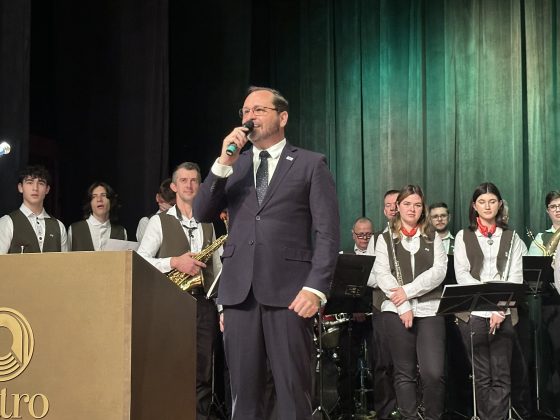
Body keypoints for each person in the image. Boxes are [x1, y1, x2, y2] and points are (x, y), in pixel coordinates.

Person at [193, 86, 340, 419]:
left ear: (282, 117)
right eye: (245, 111)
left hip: (291, 295)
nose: (250, 117)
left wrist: (316, 288)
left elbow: (328, 232)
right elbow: (201, 212)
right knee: (244, 395)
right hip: (239, 296)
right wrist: (222, 163)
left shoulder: (310, 164)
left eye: (259, 110)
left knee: (292, 393)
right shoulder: (235, 166)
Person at [137, 162, 221, 420]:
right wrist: (174, 262)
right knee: (170, 368)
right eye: (183, 180)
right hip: (170, 305)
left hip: (203, 304)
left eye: (194, 180)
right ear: (173, 187)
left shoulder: (208, 223)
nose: (189, 185)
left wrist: (222, 309)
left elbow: (218, 270)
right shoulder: (158, 221)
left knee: (203, 372)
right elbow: (140, 260)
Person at [373, 184, 447, 420]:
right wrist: (403, 304)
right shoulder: (384, 238)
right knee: (404, 373)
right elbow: (382, 274)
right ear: (398, 206)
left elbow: (439, 272)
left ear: (422, 208)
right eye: (406, 204)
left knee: (433, 373)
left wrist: (407, 291)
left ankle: (433, 416)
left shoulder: (433, 236)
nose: (412, 209)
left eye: (417, 205)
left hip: (430, 309)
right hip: (395, 310)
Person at [454, 182, 524, 420]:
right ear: (474, 206)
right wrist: (487, 305)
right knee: (482, 375)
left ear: (500, 204)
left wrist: (499, 310)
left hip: (503, 313)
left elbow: (515, 277)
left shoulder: (512, 237)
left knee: (502, 374)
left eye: (492, 201)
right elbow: (462, 274)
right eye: (482, 202)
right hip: (473, 313)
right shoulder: (463, 236)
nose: (487, 206)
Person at [365, 189, 399, 420]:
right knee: (383, 363)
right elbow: (368, 276)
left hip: (412, 306)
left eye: (397, 203)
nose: (393, 208)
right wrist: (389, 282)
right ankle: (385, 412)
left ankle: (409, 409)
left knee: (407, 363)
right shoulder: (376, 239)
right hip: (382, 306)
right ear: (384, 210)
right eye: (388, 205)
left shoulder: (416, 236)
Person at [0, 164, 67, 253]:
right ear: (20, 187)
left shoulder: (59, 226)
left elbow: (65, 261)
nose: (35, 188)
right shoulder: (7, 222)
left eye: (41, 183)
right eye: (29, 182)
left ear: (47, 189)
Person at [68, 181, 127, 251]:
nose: (99, 199)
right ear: (90, 203)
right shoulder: (74, 229)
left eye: (103, 195)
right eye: (94, 196)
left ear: (111, 201)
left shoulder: (121, 232)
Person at [136, 178, 175, 242]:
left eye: (171, 204)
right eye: (163, 202)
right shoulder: (146, 222)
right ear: (157, 197)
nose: (166, 206)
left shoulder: (185, 222)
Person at [528, 190, 560, 255]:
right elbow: (533, 261)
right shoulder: (540, 239)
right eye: (553, 207)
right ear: (548, 211)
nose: (558, 210)